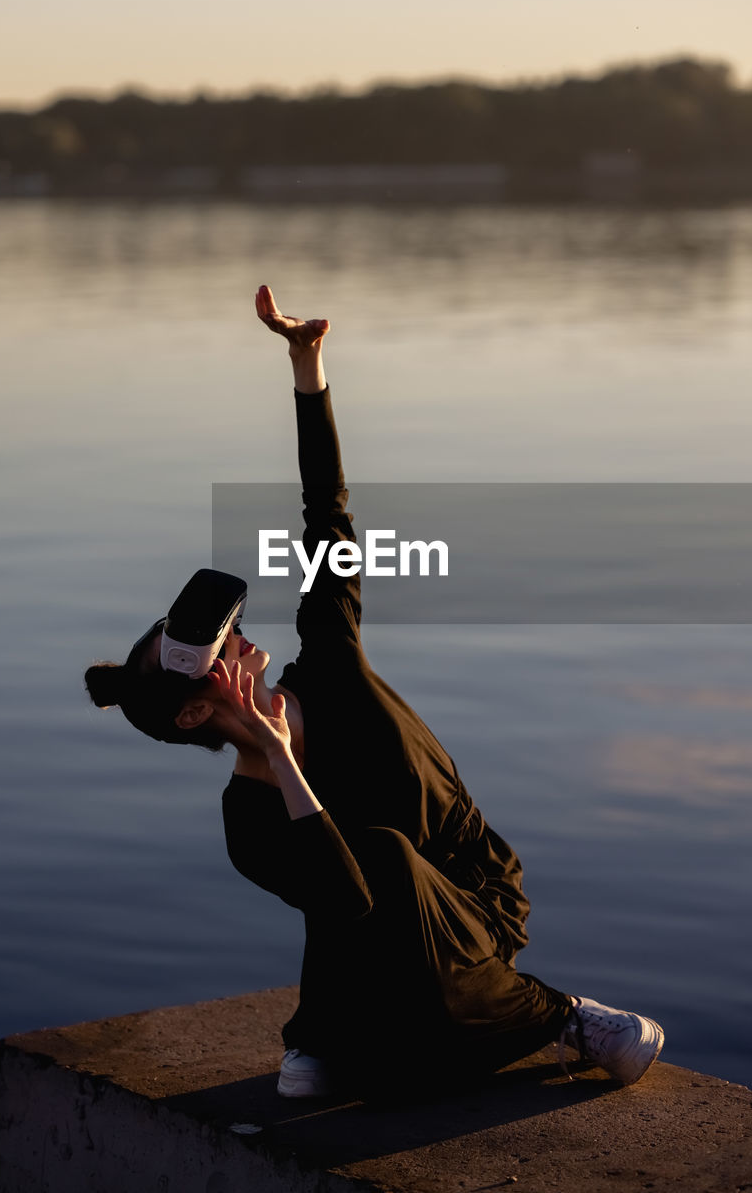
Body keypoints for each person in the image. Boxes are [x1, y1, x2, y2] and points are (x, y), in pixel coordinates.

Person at [85, 285, 664, 1100]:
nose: (246, 641)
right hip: (374, 939)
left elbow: (327, 518)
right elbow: (346, 902)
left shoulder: (328, 660)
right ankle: (338, 1030)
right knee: (359, 864)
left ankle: (556, 1015)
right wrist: (284, 761)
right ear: (192, 711)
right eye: (221, 651)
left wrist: (306, 369)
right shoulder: (245, 825)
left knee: (388, 853)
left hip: (477, 904)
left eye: (236, 629)